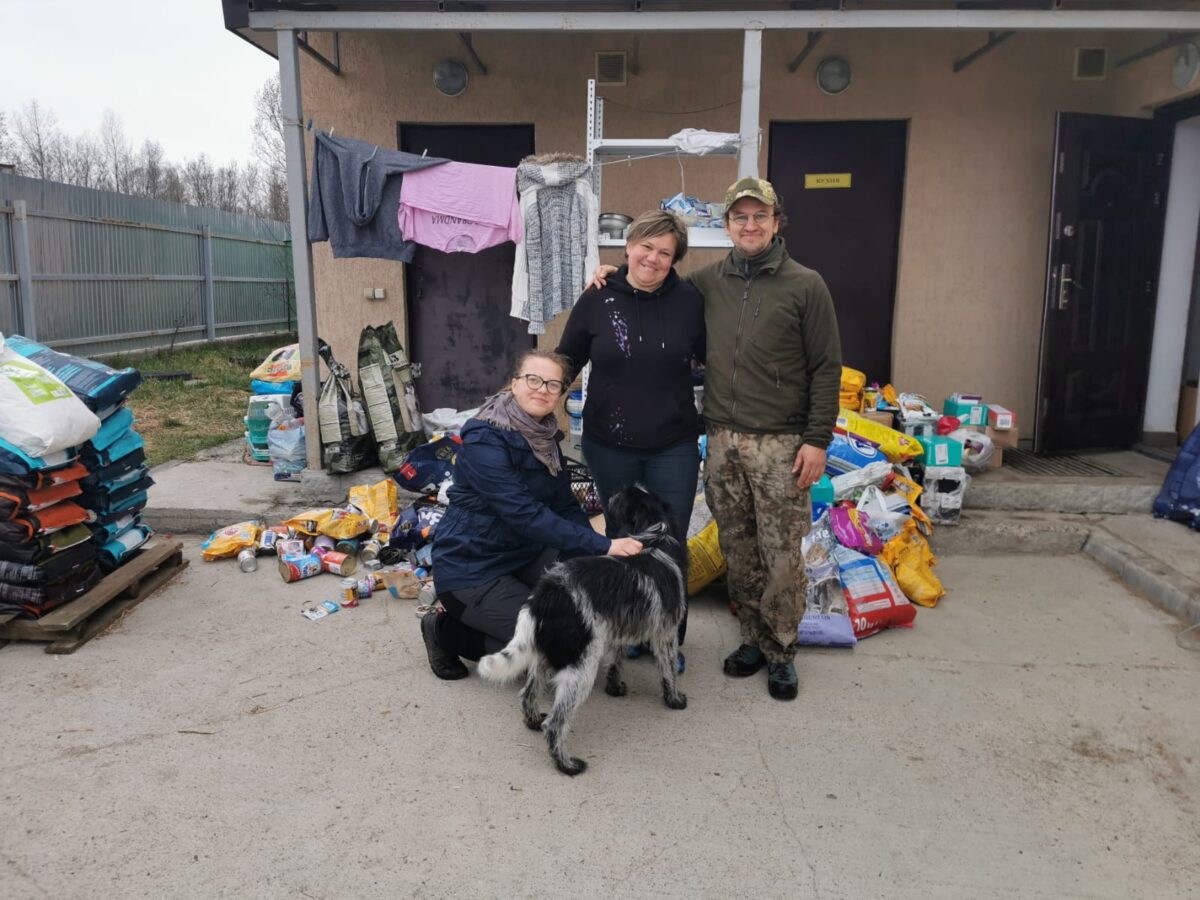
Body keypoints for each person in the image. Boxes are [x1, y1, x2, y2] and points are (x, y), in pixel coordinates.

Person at [592, 178, 841, 701]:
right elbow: (650, 282)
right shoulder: (705, 283)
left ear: (776, 222)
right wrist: (611, 274)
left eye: (760, 216)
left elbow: (826, 368)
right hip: (722, 439)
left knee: (781, 554)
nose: (750, 226)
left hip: (781, 442)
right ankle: (751, 638)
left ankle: (781, 651)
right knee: (737, 548)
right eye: (740, 217)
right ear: (726, 225)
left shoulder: (806, 285)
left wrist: (817, 439)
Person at [421, 349, 643, 680]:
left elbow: (564, 505)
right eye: (533, 380)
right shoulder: (485, 440)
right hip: (472, 568)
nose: (542, 390)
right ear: (515, 384)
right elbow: (523, 514)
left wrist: (596, 555)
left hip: (524, 554)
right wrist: (606, 545)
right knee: (554, 643)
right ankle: (442, 630)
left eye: (552, 384)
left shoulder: (544, 437)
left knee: (587, 604)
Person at [555, 210, 705, 653]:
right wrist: (532, 406)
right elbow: (567, 359)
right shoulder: (598, 298)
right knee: (622, 541)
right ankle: (629, 632)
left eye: (665, 252)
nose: (653, 258)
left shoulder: (690, 301)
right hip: (609, 445)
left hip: (673, 444)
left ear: (675, 260)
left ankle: (668, 640)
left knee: (668, 543)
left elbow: (713, 358)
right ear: (628, 246)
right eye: (646, 246)